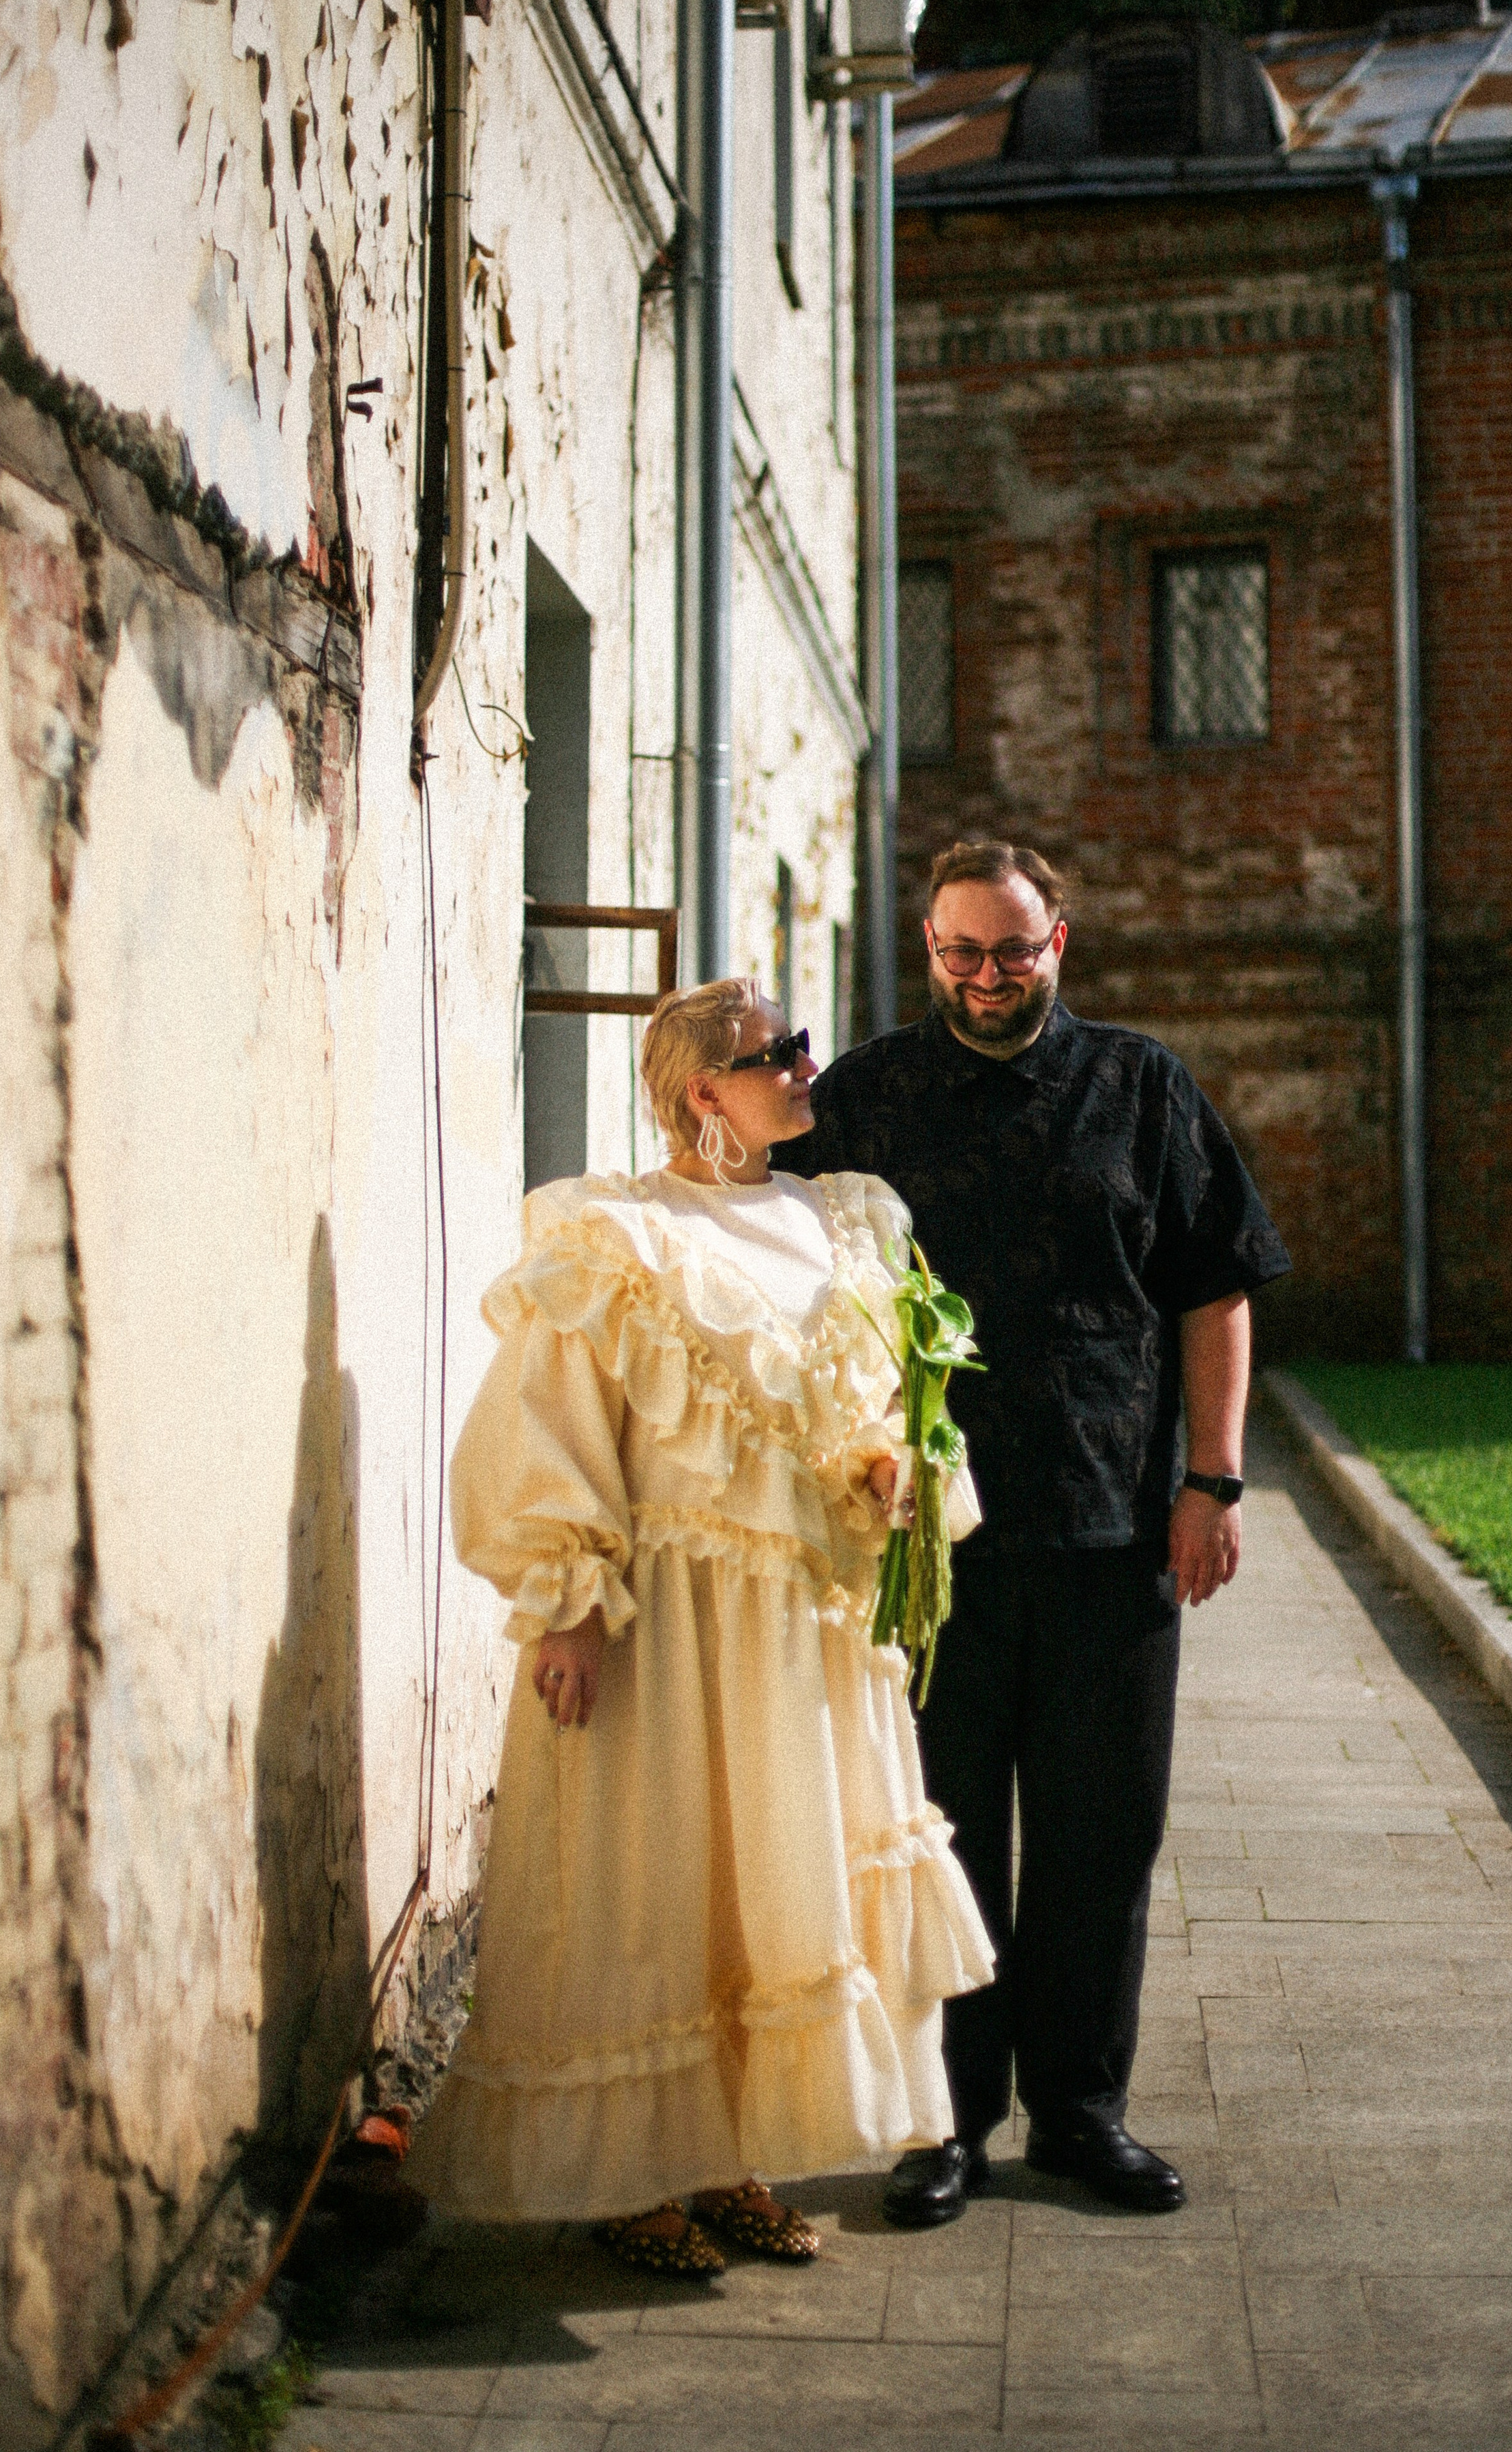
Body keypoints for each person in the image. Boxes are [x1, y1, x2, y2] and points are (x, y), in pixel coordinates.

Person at [406, 979, 994, 2275]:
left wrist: (892, 1466)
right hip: (664, 1613)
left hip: (801, 1625)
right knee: (655, 1878)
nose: (801, 1066)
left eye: (799, 1045)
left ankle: (734, 2160)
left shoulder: (848, 1222)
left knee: (776, 1884)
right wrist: (568, 1607)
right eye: (769, 1054)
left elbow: (885, 1402)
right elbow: (552, 1418)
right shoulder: (618, 1235)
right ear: (698, 1093)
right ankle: (634, 2178)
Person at [773, 841, 1290, 2226]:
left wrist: (1213, 1483)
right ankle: (939, 2126)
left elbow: (1212, 1290)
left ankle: (1078, 2113)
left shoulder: (1140, 1088)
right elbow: (773, 1271)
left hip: (1111, 1527)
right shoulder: (861, 1099)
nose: (987, 977)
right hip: (923, 1546)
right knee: (933, 1836)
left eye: (1012, 951)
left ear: (1058, 940)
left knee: (1097, 1833)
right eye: (960, 953)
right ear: (924, 947)